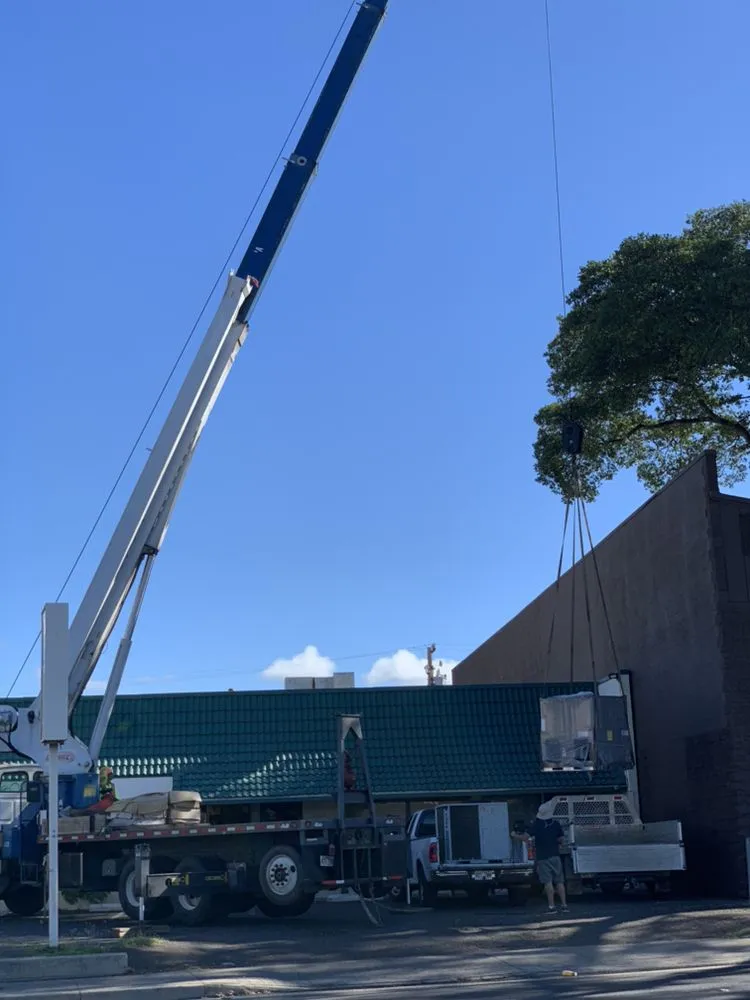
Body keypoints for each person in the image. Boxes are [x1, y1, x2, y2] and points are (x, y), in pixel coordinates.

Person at [514, 801, 568, 913]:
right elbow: (562, 840)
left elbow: (525, 837)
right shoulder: (556, 824)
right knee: (559, 881)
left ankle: (552, 907)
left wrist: (514, 835)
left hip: (543, 857)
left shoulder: (537, 825)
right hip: (555, 856)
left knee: (548, 882)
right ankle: (564, 905)